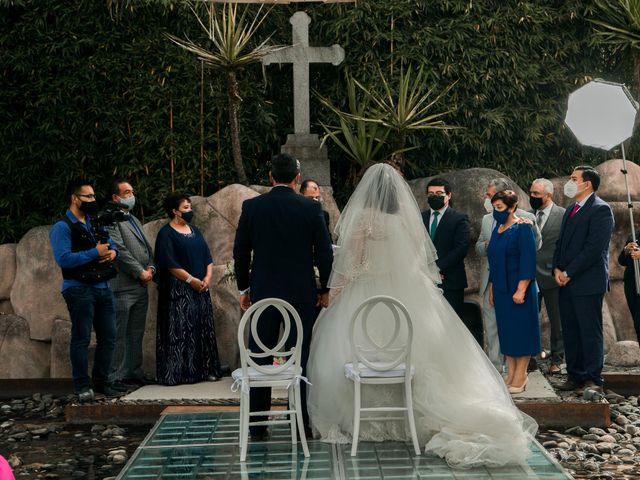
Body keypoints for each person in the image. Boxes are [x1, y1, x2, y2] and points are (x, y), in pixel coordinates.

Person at [307, 164, 537, 468]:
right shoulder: (407, 219)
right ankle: (411, 418)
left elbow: (352, 263)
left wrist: (336, 291)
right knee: (423, 349)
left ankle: (362, 418)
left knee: (344, 346)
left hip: (365, 295)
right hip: (408, 291)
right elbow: (418, 259)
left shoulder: (364, 218)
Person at [233, 154, 333, 440]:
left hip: (263, 293)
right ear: (297, 178)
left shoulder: (252, 207)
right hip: (302, 294)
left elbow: (241, 252)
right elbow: (324, 252)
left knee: (260, 357)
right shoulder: (309, 208)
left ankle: (257, 425)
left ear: (270, 176)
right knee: (300, 358)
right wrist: (324, 289)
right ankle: (299, 422)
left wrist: (244, 288)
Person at [49, 178, 124, 400]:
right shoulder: (62, 227)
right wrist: (96, 253)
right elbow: (64, 259)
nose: (93, 200)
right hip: (78, 288)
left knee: (109, 337)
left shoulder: (94, 221)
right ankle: (82, 386)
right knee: (81, 338)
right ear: (75, 198)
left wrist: (113, 253)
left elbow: (112, 244)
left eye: (93, 196)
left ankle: (102, 382)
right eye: (88, 196)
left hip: (102, 286)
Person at [553, 166, 614, 391]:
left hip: (588, 282)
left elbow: (594, 249)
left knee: (589, 330)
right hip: (565, 281)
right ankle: (575, 375)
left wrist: (569, 272)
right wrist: (557, 269)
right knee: (570, 329)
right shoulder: (570, 210)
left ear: (587, 183)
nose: (569, 182)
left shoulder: (601, 210)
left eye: (573, 178)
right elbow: (561, 243)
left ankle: (593, 378)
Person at [154, 192, 222, 386]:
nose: (189, 211)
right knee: (180, 329)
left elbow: (207, 257)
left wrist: (207, 277)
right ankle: (179, 373)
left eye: (190, 207)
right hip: (179, 290)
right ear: (175, 211)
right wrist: (191, 280)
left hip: (201, 288)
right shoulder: (166, 234)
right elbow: (169, 264)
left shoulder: (195, 230)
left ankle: (204, 370)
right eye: (185, 208)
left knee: (202, 327)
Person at [476, 178, 540, 373]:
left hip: (517, 281)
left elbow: (534, 247)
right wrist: (488, 245)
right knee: (494, 327)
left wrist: (532, 228)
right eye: (488, 197)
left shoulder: (525, 218)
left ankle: (518, 373)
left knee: (516, 328)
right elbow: (478, 246)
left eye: (490, 195)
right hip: (493, 281)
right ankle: (497, 369)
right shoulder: (487, 219)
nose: (487, 200)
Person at [107, 179, 155, 386]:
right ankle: (113, 376)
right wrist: (139, 272)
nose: (131, 195)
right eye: (126, 192)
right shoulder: (111, 220)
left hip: (141, 285)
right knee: (118, 334)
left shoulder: (133, 218)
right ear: (115, 197)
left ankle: (133, 371)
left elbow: (146, 248)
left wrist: (151, 268)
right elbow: (119, 250)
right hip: (123, 286)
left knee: (136, 333)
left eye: (132, 191)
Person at [529, 178, 566, 374]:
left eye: (536, 194)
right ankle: (531, 358)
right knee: (529, 318)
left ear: (548, 195)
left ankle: (557, 359)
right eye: (531, 193)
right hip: (529, 276)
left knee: (557, 319)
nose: (532, 197)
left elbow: (567, 245)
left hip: (552, 274)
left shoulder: (563, 215)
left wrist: (561, 269)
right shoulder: (527, 214)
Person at [421, 177, 470, 317]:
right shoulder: (420, 217)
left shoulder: (459, 218)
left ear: (448, 195)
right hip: (424, 280)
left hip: (451, 282)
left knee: (451, 323)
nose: (434, 196)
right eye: (431, 194)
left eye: (439, 193)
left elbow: (461, 248)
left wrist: (436, 268)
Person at [618, 234, 640, 342]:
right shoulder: (634, 235)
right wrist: (626, 250)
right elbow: (622, 261)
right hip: (632, 285)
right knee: (637, 323)